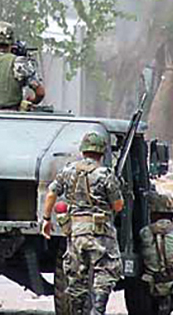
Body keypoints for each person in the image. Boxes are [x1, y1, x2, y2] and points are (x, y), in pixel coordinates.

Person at [42, 131, 124, 315]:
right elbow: (118, 206)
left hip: (76, 232)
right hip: (101, 233)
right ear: (102, 152)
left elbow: (51, 193)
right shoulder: (105, 175)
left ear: (83, 150)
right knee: (105, 271)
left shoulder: (69, 171)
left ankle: (78, 311)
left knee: (76, 275)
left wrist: (46, 219)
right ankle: (97, 310)